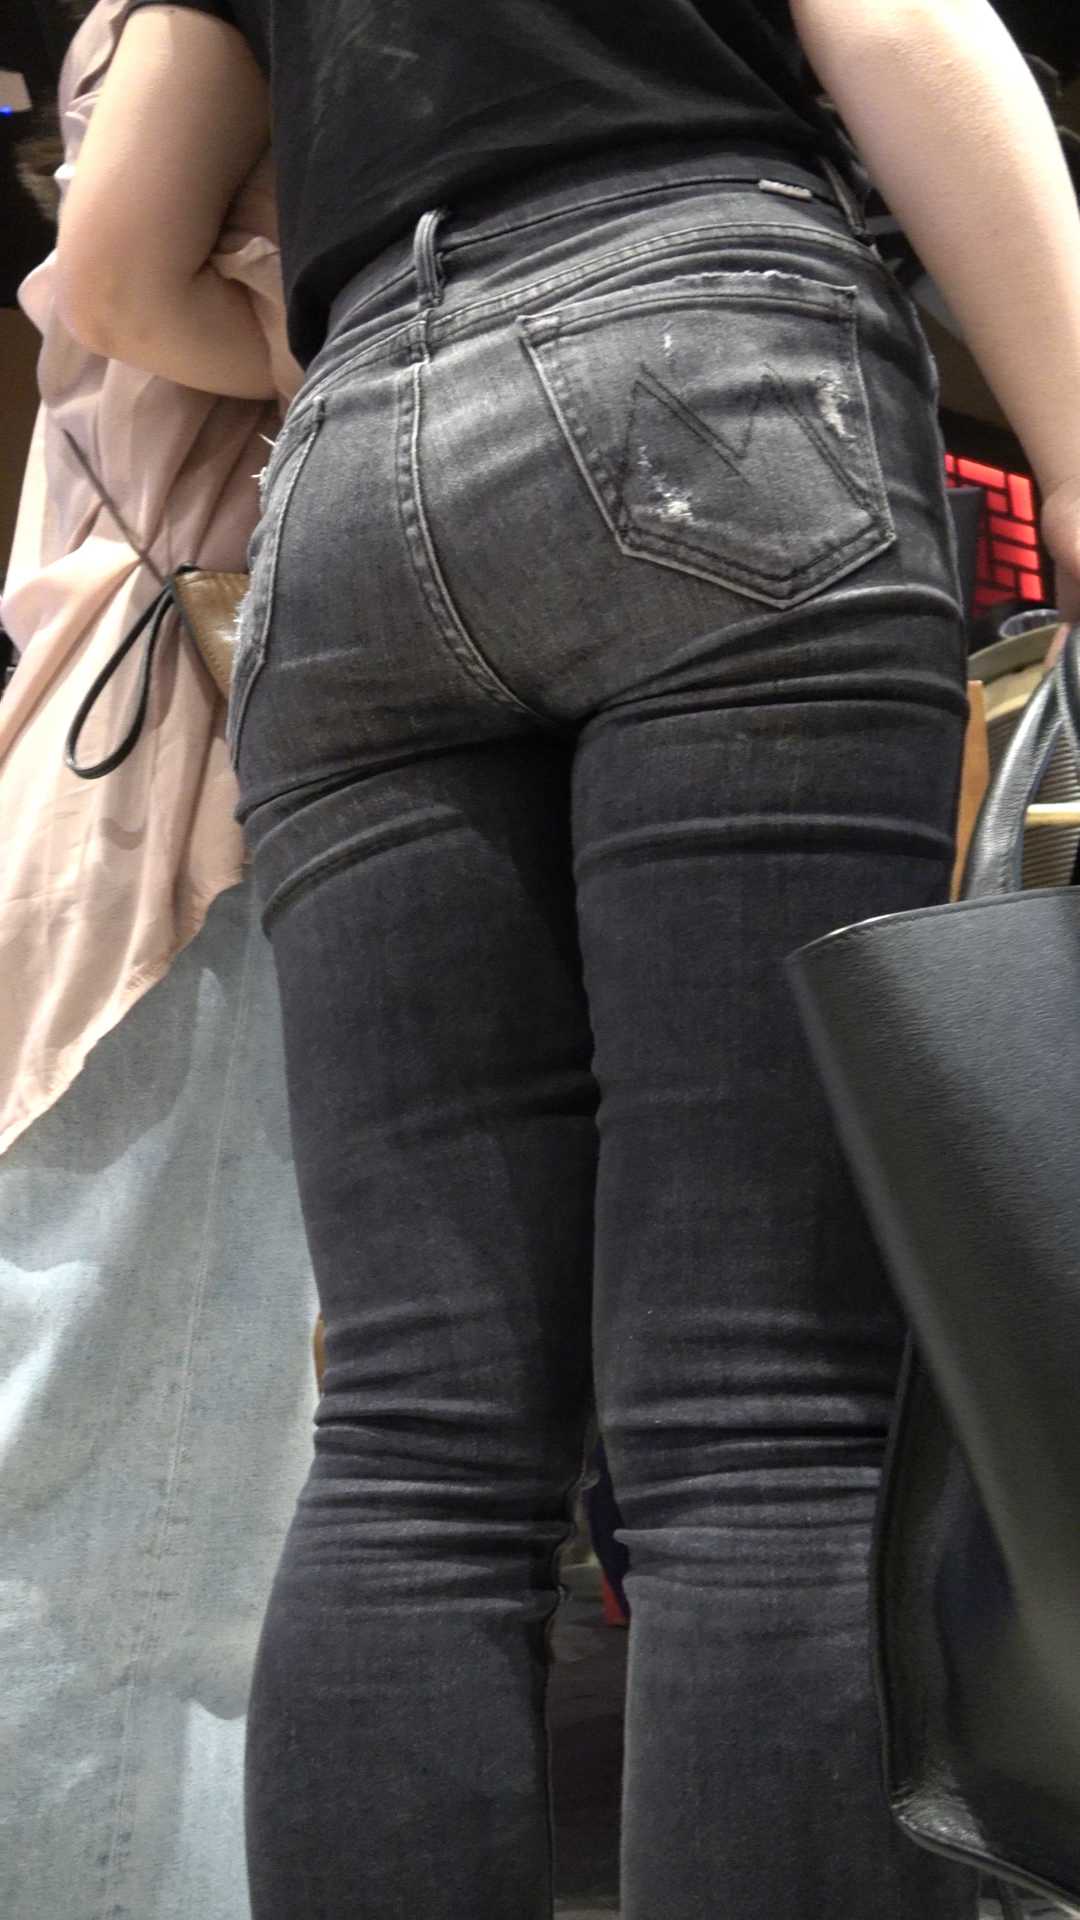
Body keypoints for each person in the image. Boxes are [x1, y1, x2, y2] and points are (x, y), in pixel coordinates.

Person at [55, 2, 1080, 1917]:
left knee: (415, 1437)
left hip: (348, 473)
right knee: (758, 1419)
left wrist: (359, 362)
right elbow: (898, 21)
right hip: (715, 366)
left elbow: (109, 265)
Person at [0, 7, 319, 1917]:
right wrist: (395, 340)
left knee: (155, 1468)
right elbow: (115, 279)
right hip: (177, 800)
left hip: (125, 779)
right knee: (149, 1488)